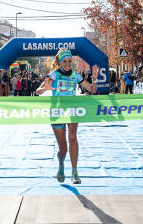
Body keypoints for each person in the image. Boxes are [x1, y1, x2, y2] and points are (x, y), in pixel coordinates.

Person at [36, 48, 98, 184]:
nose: (68, 64)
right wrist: (45, 89)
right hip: (57, 112)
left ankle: (75, 172)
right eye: (65, 61)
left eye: (70, 61)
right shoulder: (53, 75)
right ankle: (61, 164)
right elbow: (37, 91)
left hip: (72, 110)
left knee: (73, 138)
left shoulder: (76, 75)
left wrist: (94, 79)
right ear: (60, 62)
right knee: (63, 149)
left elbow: (92, 90)